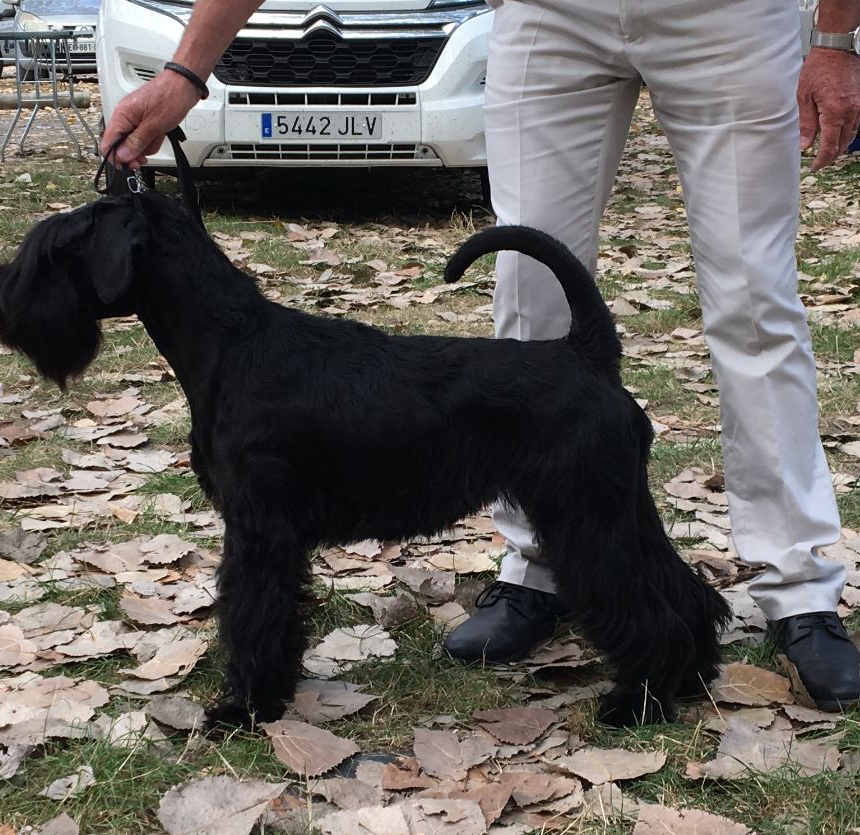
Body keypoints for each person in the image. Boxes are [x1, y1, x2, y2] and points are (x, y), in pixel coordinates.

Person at [101, 0, 860, 712]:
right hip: (552, 17)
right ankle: (537, 568)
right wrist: (186, 71)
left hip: (727, 17)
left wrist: (835, 37)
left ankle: (798, 590)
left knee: (755, 304)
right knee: (530, 305)